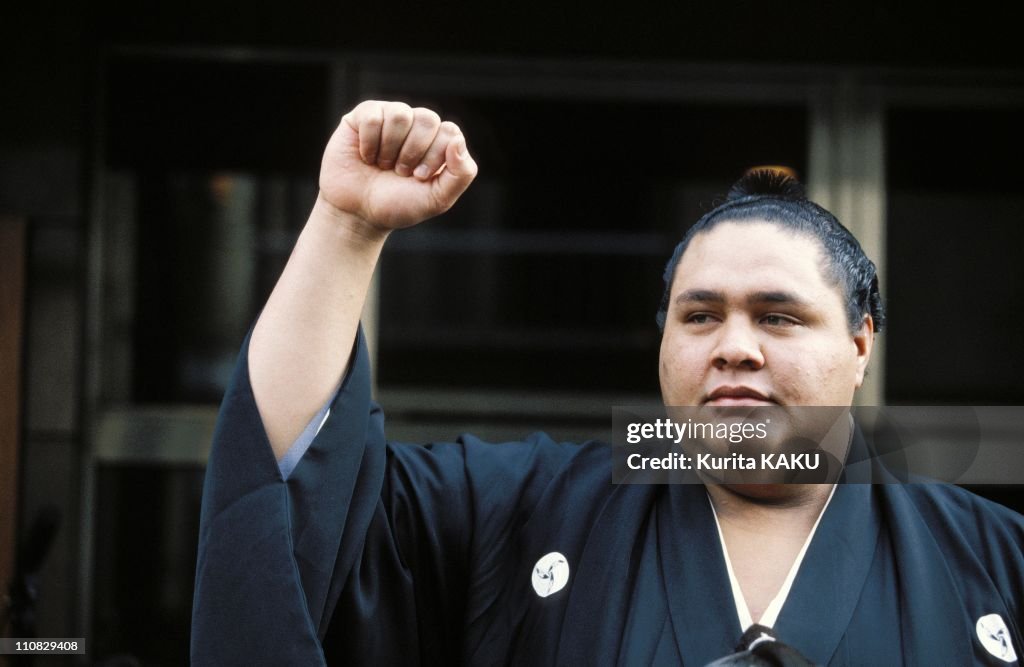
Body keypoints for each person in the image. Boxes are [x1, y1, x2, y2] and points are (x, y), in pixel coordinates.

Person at [191, 101, 1024, 665]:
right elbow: (295, 492)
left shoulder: (990, 557)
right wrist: (346, 225)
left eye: (777, 317)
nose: (733, 346)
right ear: (662, 342)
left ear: (860, 344)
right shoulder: (530, 509)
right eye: (699, 316)